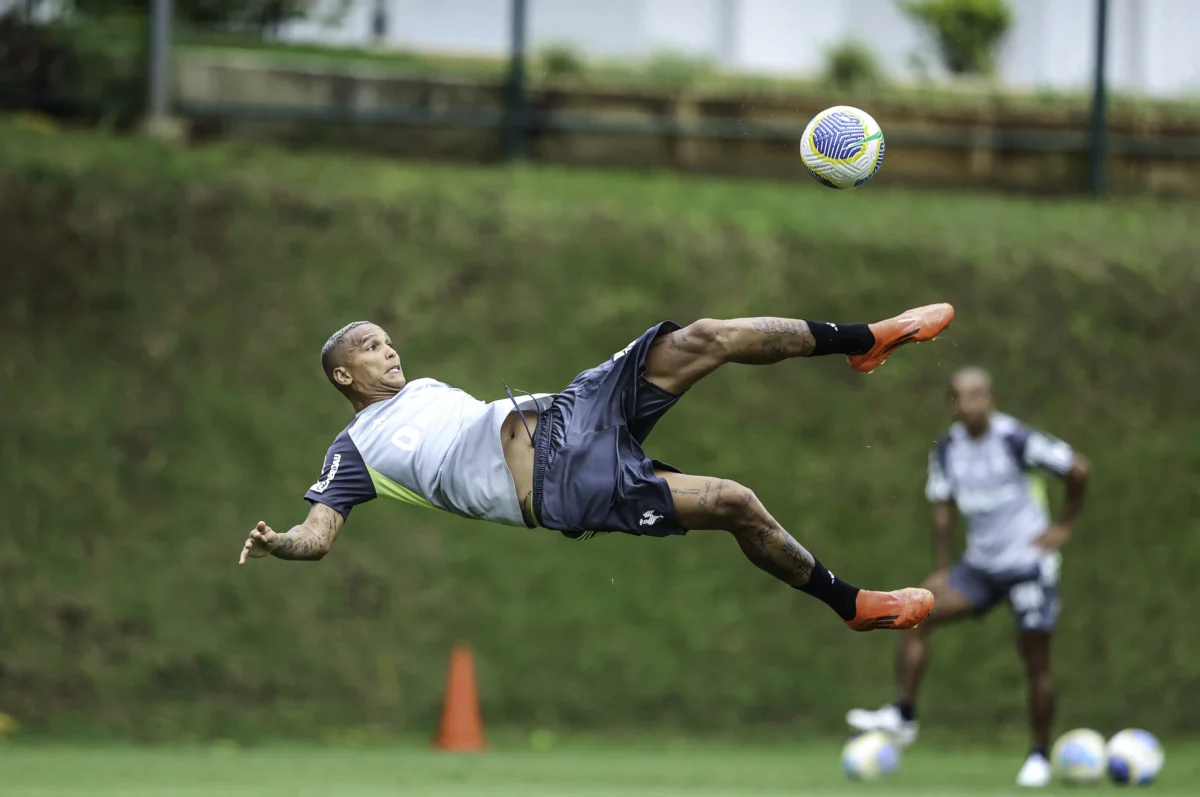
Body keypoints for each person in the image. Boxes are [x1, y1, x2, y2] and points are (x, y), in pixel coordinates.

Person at [238, 305, 957, 632]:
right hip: (563, 487)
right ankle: (854, 604)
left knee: (705, 335)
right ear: (341, 374)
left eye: (388, 339)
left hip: (571, 409)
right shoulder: (354, 449)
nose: (389, 349)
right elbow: (319, 531)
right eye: (370, 346)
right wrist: (283, 544)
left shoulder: (421, 389)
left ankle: (866, 338)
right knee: (737, 500)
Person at [844, 366, 1090, 787]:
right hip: (978, 568)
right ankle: (903, 714)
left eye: (979, 395)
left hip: (1028, 567)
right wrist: (942, 568)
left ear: (991, 399)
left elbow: (1077, 469)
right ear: (953, 404)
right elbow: (942, 509)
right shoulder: (947, 451)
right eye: (963, 396)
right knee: (913, 613)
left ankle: (1038, 754)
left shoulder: (1017, 440)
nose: (972, 403)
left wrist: (1063, 526)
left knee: (1035, 660)